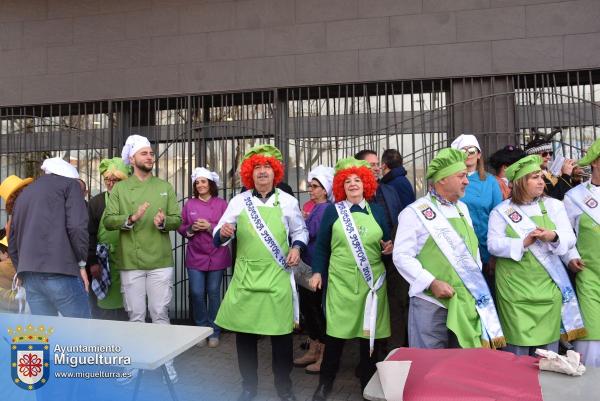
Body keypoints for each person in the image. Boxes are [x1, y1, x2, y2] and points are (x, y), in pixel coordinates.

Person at [213, 144, 308, 401]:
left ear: (275, 172)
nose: (263, 172)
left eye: (267, 167)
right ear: (249, 173)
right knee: (244, 336)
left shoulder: (288, 202)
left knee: (281, 336)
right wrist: (222, 234)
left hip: (277, 277)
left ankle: (283, 386)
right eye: (257, 168)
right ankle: (248, 386)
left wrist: (297, 247)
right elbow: (219, 232)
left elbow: (301, 232)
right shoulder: (238, 201)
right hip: (246, 278)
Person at [393, 148, 505, 351]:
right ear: (442, 179)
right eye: (461, 176)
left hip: (465, 300)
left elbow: (472, 251)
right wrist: (431, 282)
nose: (467, 181)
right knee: (430, 364)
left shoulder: (462, 208)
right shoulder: (414, 212)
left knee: (462, 364)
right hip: (431, 302)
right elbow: (401, 256)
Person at [309, 157, 393, 400]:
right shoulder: (333, 211)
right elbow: (322, 247)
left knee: (369, 340)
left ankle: (367, 386)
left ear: (365, 183)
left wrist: (389, 248)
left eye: (357, 180)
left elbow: (386, 243)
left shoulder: (376, 211)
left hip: (371, 286)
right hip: (340, 284)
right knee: (335, 337)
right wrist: (317, 272)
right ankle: (325, 384)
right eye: (348, 181)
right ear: (341, 187)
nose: (353, 184)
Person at [488, 155, 586, 356]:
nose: (541, 181)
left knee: (548, 355)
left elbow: (569, 238)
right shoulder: (500, 211)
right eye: (534, 177)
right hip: (514, 292)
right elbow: (493, 244)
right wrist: (523, 242)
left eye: (541, 176)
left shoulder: (554, 206)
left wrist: (553, 236)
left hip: (548, 290)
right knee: (517, 354)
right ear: (520, 182)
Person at [104, 135, 182, 383]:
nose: (150, 157)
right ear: (132, 158)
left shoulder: (165, 186)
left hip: (160, 261)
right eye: (144, 153)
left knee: (159, 314)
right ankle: (133, 367)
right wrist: (130, 218)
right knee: (136, 316)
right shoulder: (120, 189)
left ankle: (166, 364)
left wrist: (164, 223)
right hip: (131, 262)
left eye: (151, 153)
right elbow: (108, 220)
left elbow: (177, 219)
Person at [8, 157, 91, 318]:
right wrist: (81, 263)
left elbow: (12, 240)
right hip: (62, 271)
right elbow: (77, 227)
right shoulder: (71, 185)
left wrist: (21, 269)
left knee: (45, 335)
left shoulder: (24, 194)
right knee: (81, 331)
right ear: (70, 175)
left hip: (30, 276)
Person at [355, 149, 405, 349]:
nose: (376, 168)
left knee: (393, 306)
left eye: (377, 164)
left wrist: (395, 242)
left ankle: (391, 351)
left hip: (390, 259)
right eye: (371, 165)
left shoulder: (390, 190)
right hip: (364, 259)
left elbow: (400, 219)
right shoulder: (353, 195)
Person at [177, 167, 231, 348]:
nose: (200, 185)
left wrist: (209, 226)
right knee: (197, 293)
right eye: (197, 182)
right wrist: (191, 229)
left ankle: (214, 330)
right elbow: (182, 227)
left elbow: (229, 228)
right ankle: (201, 329)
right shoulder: (189, 204)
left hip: (217, 255)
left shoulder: (222, 204)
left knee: (214, 293)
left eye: (203, 181)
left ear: (211, 184)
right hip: (195, 256)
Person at [563, 138, 600, 366]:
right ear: (596, 162)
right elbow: (567, 236)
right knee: (593, 335)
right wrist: (571, 257)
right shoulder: (574, 196)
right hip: (590, 275)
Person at [450, 135, 503, 294]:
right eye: (463, 150)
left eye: (472, 150)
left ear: (479, 154)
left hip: (485, 250)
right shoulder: (450, 181)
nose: (468, 153)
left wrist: (494, 255)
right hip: (458, 249)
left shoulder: (491, 181)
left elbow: (499, 216)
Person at [293, 165, 333, 374]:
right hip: (307, 266)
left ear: (325, 190)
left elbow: (311, 232)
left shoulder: (325, 208)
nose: (311, 190)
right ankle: (314, 350)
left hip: (315, 268)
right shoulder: (316, 207)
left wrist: (301, 222)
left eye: (315, 186)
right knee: (310, 310)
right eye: (310, 186)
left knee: (317, 312)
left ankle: (323, 355)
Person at [86, 157, 131, 321]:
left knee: (130, 305)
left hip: (128, 259)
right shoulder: (96, 202)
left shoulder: (130, 201)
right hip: (104, 263)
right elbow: (89, 234)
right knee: (105, 307)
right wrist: (93, 262)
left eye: (116, 179)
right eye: (107, 179)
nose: (111, 183)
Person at [524, 131, 575, 200]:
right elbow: (552, 197)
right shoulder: (529, 175)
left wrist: (575, 179)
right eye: (544, 154)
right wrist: (565, 175)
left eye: (550, 153)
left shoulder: (547, 172)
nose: (548, 157)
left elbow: (568, 193)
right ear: (533, 156)